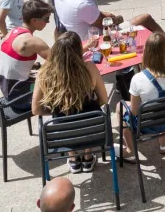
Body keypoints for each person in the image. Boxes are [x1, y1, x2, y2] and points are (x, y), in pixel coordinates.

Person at [32, 32, 108, 172]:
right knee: (91, 108)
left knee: (63, 116)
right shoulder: (89, 68)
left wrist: (54, 111)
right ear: (79, 49)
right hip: (93, 132)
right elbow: (104, 99)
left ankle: (73, 159)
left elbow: (36, 109)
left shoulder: (44, 74)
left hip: (63, 136)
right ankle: (87, 157)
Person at [119, 31, 165, 157]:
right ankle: (164, 143)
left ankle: (130, 150)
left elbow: (134, 111)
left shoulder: (137, 79)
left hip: (149, 126)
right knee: (162, 104)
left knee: (120, 107)